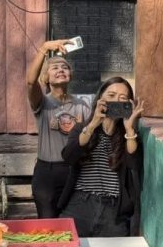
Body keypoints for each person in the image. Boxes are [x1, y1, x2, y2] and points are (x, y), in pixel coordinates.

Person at [59, 76, 145, 237]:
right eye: (111, 96)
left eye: (123, 98)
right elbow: (69, 156)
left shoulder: (128, 134)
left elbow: (133, 162)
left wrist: (129, 128)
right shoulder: (82, 128)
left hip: (113, 210)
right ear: (100, 99)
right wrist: (92, 125)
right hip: (80, 204)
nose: (116, 101)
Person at [26, 39, 91, 218]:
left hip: (75, 171)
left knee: (74, 223)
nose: (61, 70)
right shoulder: (43, 102)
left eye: (64, 67)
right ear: (46, 78)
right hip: (48, 172)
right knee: (48, 225)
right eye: (54, 68)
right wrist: (44, 48)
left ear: (70, 74)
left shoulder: (82, 105)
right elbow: (31, 83)